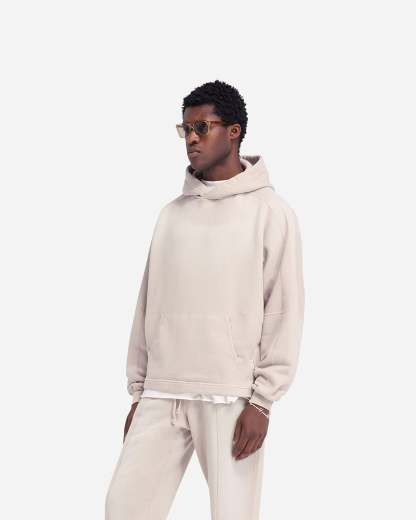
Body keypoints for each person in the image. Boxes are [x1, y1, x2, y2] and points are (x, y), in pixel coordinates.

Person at [105, 79, 305, 520]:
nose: (191, 138)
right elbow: (147, 304)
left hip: (229, 395)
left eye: (202, 127)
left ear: (233, 132)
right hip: (162, 390)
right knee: (124, 507)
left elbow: (284, 310)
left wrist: (262, 401)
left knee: (233, 514)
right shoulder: (171, 214)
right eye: (186, 129)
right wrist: (138, 393)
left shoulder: (271, 213)